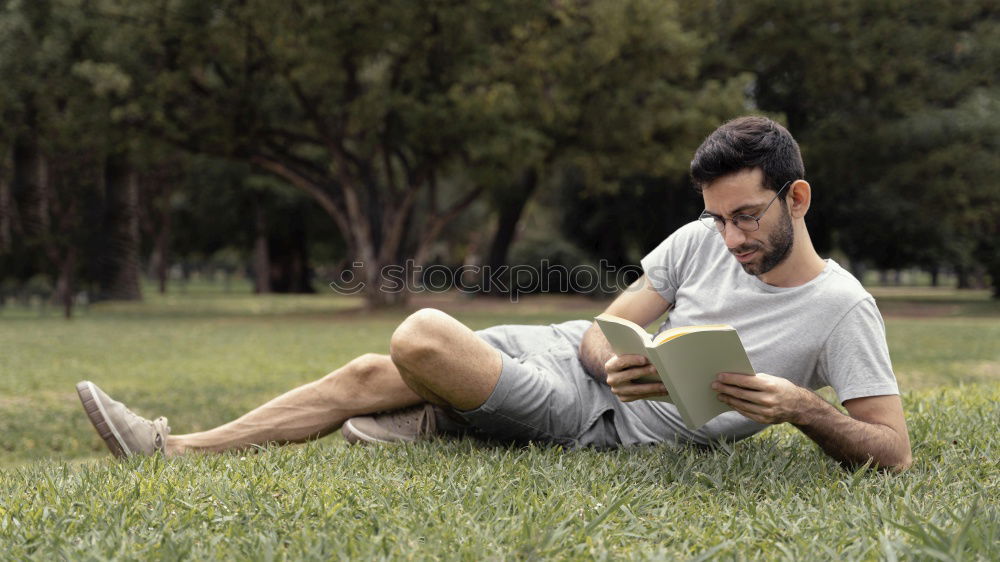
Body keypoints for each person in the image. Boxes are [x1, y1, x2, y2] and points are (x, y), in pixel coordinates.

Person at [75, 116, 912, 470]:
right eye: (718, 219)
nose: (730, 239)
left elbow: (892, 451)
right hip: (570, 361)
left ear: (796, 199)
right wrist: (624, 357)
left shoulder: (841, 310)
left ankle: (441, 409)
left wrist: (803, 408)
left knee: (420, 338)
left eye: (747, 218)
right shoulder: (699, 242)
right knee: (373, 368)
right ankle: (174, 451)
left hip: (601, 425)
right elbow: (607, 327)